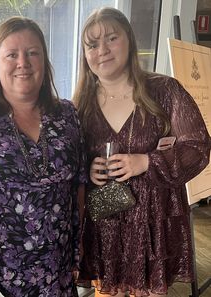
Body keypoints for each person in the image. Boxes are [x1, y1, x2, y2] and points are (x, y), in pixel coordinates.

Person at [72, 7, 211, 297]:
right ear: (85, 54)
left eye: (112, 38)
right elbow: (65, 163)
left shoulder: (165, 91)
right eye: (93, 44)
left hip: (152, 225)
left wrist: (147, 161)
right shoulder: (79, 105)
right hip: (105, 228)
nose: (103, 50)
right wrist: (86, 168)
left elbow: (198, 148)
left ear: (129, 41)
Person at [0, 16, 87, 296]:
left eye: (33, 53)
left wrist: (78, 244)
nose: (23, 62)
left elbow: (79, 185)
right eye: (12, 54)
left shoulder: (68, 115)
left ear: (44, 62)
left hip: (57, 268)